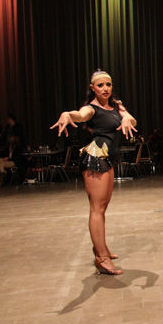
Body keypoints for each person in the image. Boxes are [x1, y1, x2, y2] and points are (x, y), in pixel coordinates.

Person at [50, 69, 137, 275]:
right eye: (100, 85)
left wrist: (126, 118)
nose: (105, 88)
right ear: (92, 88)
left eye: (108, 84)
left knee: (102, 207)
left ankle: (101, 248)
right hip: (96, 158)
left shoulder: (116, 106)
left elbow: (132, 120)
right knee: (97, 209)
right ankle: (101, 258)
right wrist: (67, 114)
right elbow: (80, 115)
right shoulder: (91, 108)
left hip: (108, 158)